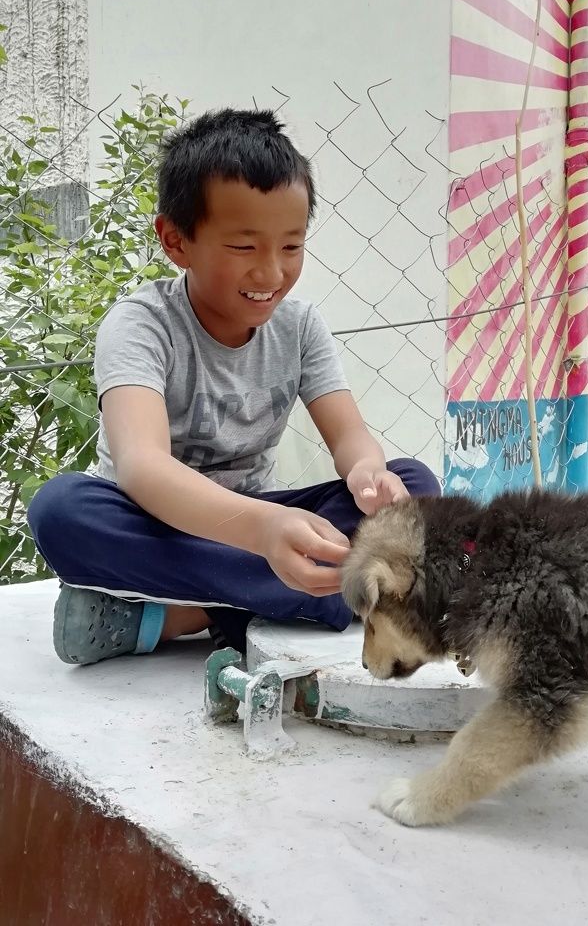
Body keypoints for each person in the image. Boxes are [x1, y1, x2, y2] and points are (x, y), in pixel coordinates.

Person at [27, 108, 440, 665]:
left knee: (414, 486)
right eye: (244, 248)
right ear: (176, 242)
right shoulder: (141, 323)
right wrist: (264, 531)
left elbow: (351, 438)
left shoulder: (300, 327)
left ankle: (187, 613)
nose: (270, 273)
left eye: (291, 247)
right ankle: (319, 598)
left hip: (248, 525)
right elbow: (141, 467)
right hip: (155, 523)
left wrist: (368, 471)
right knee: (61, 510)